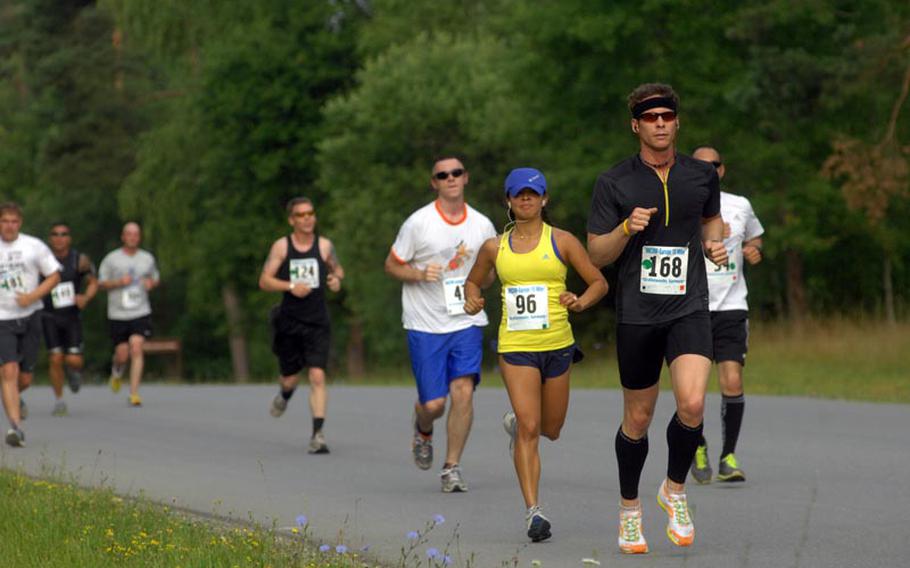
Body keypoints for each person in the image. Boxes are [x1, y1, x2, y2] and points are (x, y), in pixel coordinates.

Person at [586, 83, 728, 553]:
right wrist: (627, 227)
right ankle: (630, 511)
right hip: (639, 312)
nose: (661, 123)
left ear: (677, 122)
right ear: (637, 125)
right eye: (651, 118)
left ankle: (675, 489)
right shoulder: (614, 182)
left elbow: (711, 221)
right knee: (639, 417)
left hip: (689, 305)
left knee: (691, 405)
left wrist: (713, 242)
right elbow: (597, 252)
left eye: (668, 116)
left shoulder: (702, 174)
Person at [464, 167, 607, 542]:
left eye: (532, 193)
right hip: (516, 347)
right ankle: (534, 513)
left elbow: (599, 283)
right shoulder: (495, 247)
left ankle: (518, 422)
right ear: (508, 202)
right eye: (518, 194)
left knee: (551, 429)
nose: (525, 199)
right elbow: (473, 280)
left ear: (544, 199)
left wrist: (579, 302)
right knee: (531, 429)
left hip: (558, 344)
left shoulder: (562, 241)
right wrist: (471, 297)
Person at [384, 155, 496, 493]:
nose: (450, 178)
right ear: (434, 182)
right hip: (425, 322)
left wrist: (477, 288)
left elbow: (490, 274)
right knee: (434, 404)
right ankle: (423, 428)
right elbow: (391, 265)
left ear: (466, 178)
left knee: (463, 392)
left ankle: (451, 467)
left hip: (465, 320)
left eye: (456, 173)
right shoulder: (418, 223)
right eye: (442, 175)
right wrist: (418, 273)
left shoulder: (482, 225)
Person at [689, 146, 764, 484]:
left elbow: (756, 236)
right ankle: (698, 444)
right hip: (693, 307)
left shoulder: (740, 204)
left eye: (714, 165)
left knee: (732, 380)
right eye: (700, 165)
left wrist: (753, 250)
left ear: (722, 169)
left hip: (732, 305)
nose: (708, 170)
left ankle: (728, 456)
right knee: (693, 390)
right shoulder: (682, 203)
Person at [260, 197, 344, 455]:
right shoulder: (282, 247)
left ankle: (317, 434)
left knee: (317, 375)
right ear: (292, 220)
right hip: (289, 321)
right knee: (290, 378)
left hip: (317, 321)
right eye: (301, 215)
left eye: (310, 213)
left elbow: (338, 271)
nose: (307, 218)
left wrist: (335, 280)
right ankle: (285, 395)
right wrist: (289, 286)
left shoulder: (325, 245)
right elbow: (264, 280)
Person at [0, 202, 61, 446]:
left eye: (14, 221)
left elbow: (54, 276)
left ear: (20, 223)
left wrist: (32, 296)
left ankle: (13, 395)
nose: (9, 226)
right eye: (5, 221)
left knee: (24, 379)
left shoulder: (33, 246)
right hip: (2, 317)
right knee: (9, 371)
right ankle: (16, 428)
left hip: (31, 315)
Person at [98, 222, 160, 407]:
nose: (132, 237)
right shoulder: (111, 259)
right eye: (129, 234)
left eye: (136, 234)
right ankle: (117, 371)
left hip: (140, 310)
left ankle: (134, 393)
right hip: (118, 313)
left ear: (139, 237)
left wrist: (151, 283)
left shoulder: (147, 258)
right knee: (122, 354)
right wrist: (118, 282)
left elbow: (155, 277)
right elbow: (100, 283)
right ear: (123, 237)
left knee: (137, 347)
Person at [41, 222, 98, 416]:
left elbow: (93, 282)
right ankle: (59, 401)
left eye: (64, 234)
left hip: (71, 316)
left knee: (73, 360)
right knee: (55, 358)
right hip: (48, 315)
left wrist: (86, 297)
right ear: (50, 238)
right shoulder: (42, 259)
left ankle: (74, 372)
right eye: (55, 234)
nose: (59, 238)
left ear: (69, 238)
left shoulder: (79, 260)